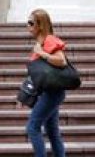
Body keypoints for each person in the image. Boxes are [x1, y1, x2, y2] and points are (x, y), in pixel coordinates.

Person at [21, 8, 68, 157]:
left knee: (32, 128)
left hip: (53, 93)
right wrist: (24, 95)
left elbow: (62, 61)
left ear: (40, 25)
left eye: (30, 23)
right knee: (53, 132)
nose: (27, 26)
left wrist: (42, 53)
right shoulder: (40, 42)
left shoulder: (50, 40)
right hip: (47, 92)